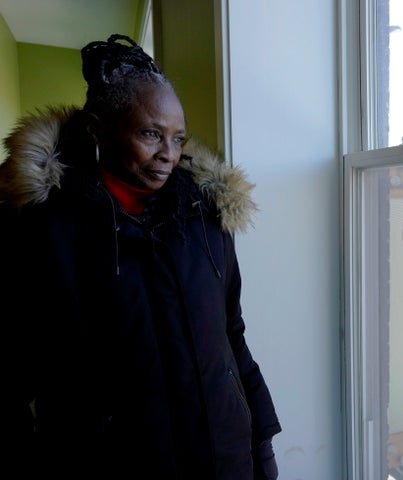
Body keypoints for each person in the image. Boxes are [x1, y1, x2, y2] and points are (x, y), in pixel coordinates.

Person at [0, 34, 281, 480]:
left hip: (224, 459)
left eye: (178, 138)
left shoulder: (205, 218)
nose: (168, 154)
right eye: (150, 133)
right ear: (97, 129)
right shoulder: (42, 228)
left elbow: (232, 336)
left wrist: (261, 445)